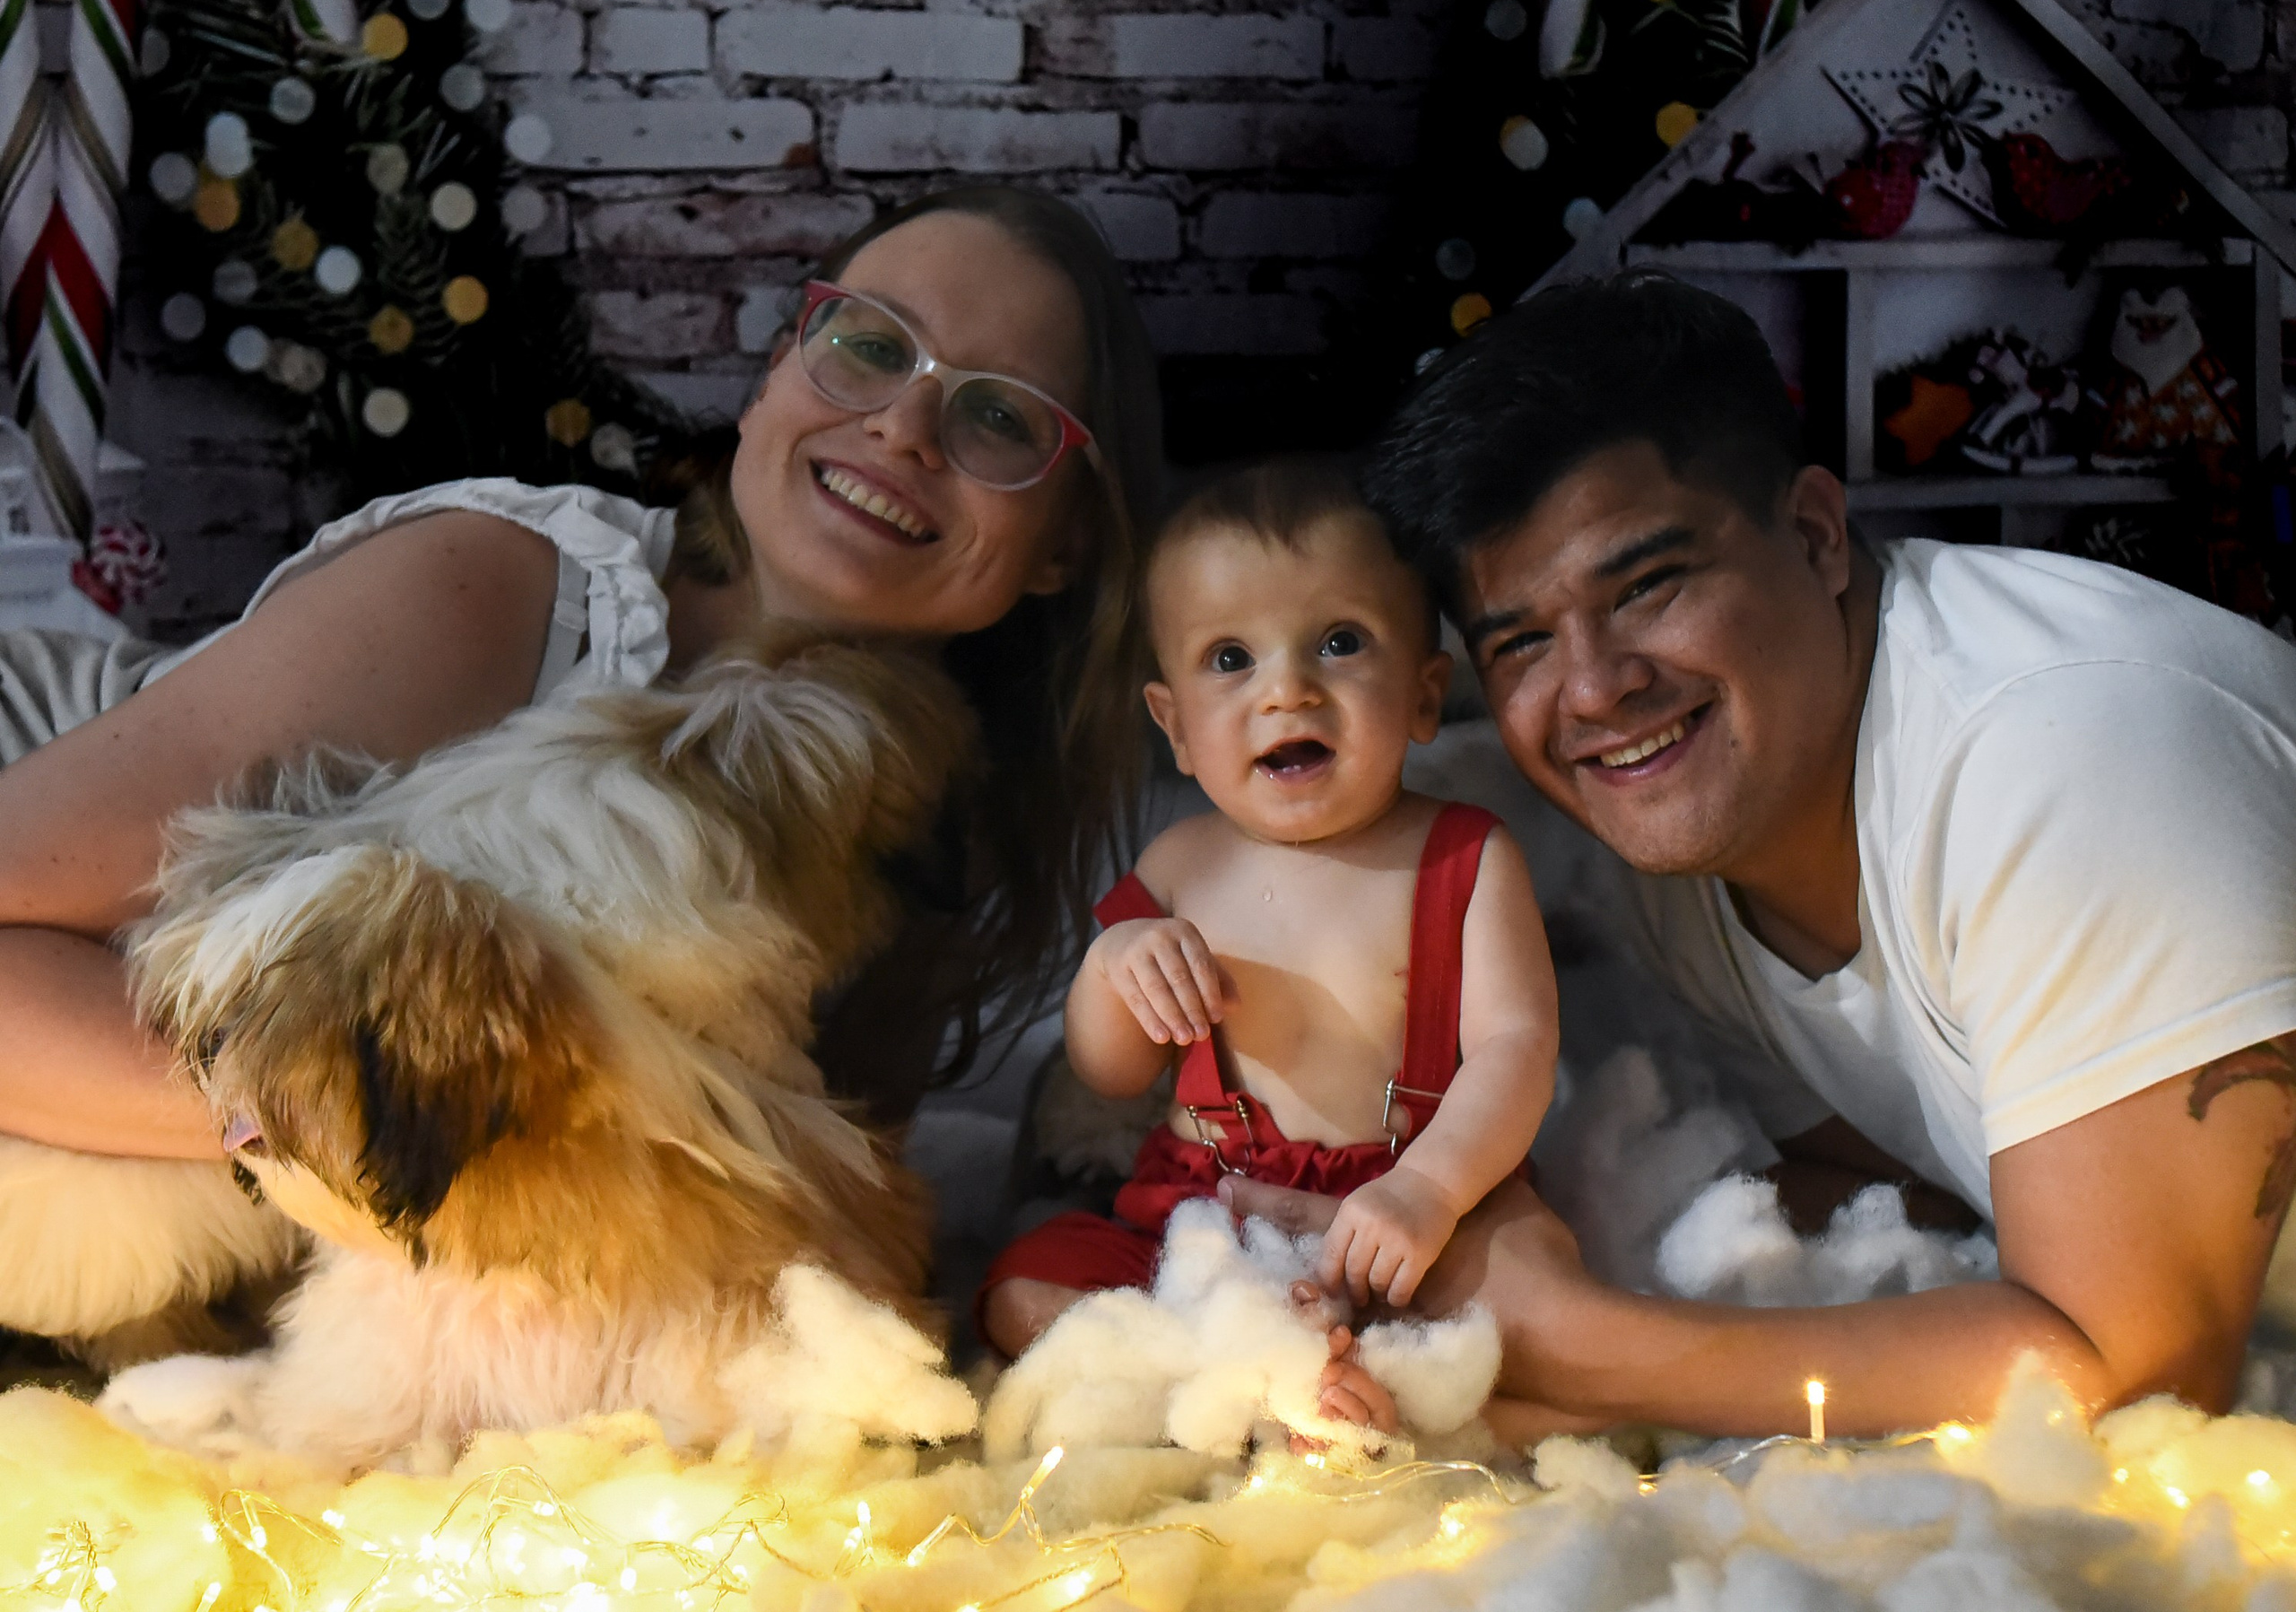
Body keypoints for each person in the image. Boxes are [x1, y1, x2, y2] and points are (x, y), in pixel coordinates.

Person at [0, 186, 1162, 1345]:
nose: (906, 428)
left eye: (1001, 418)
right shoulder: (492, 592)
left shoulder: (916, 823)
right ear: (770, 383)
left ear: (1064, 541)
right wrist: (372, 1122)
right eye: (866, 343)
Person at [1225, 271, 2296, 1443]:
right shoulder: (1665, 843)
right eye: (1522, 640)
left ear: (1814, 535)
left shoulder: (2070, 747)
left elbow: (2142, 1367)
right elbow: (1920, 1189)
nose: (1593, 689)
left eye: (1649, 585)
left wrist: (1567, 1346)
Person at [979, 458, 1560, 1360]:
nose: (1285, 689)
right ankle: (1239, 1368)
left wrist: (1431, 1189)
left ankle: (1288, 1364)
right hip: (1203, 1211)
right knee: (1021, 1289)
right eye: (1230, 658)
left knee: (1519, 1302)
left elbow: (1514, 1047)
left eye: (1339, 642)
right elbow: (1112, 1074)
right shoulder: (1178, 865)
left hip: (1401, 1212)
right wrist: (1113, 966)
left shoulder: (1466, 857)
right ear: (1173, 727)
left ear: (1423, 694)